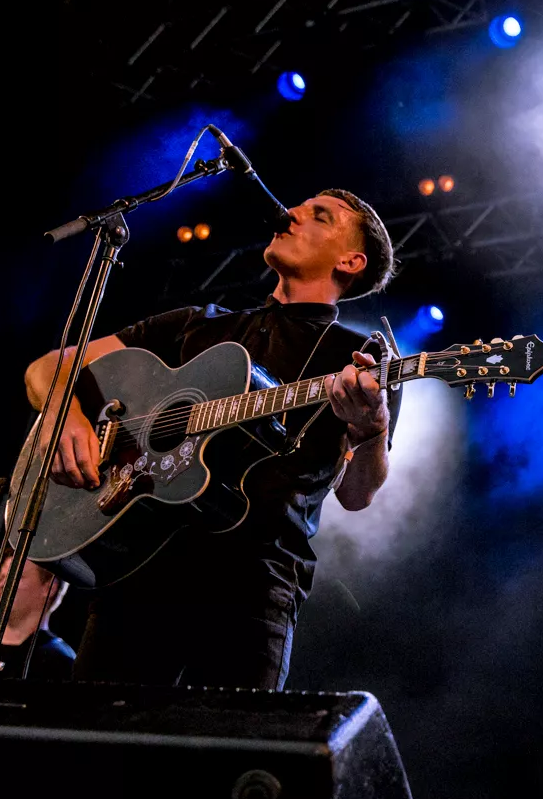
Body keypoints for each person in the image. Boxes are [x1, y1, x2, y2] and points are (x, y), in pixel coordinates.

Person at [23, 188, 399, 690]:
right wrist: (64, 416)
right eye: (300, 206)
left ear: (351, 261)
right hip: (139, 574)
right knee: (96, 738)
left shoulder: (360, 361)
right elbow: (49, 367)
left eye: (320, 216)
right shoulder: (195, 324)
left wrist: (372, 428)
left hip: (252, 587)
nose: (290, 213)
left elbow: (357, 494)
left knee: (224, 740)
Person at [0, 547, 74, 680]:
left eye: (15, 577)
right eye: (1, 577)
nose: (2, 585)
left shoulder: (59, 661)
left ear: (49, 587)